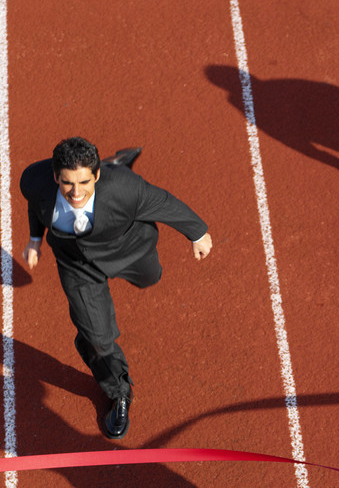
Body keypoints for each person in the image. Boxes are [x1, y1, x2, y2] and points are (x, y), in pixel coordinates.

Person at [20, 137, 213, 438]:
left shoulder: (126, 190)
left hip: (128, 248)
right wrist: (35, 239)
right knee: (96, 337)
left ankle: (114, 164)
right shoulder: (35, 181)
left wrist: (197, 232)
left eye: (84, 181)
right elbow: (37, 205)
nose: (76, 192)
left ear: (96, 176)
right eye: (67, 183)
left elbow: (164, 203)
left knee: (151, 278)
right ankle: (118, 391)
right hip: (76, 263)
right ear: (55, 176)